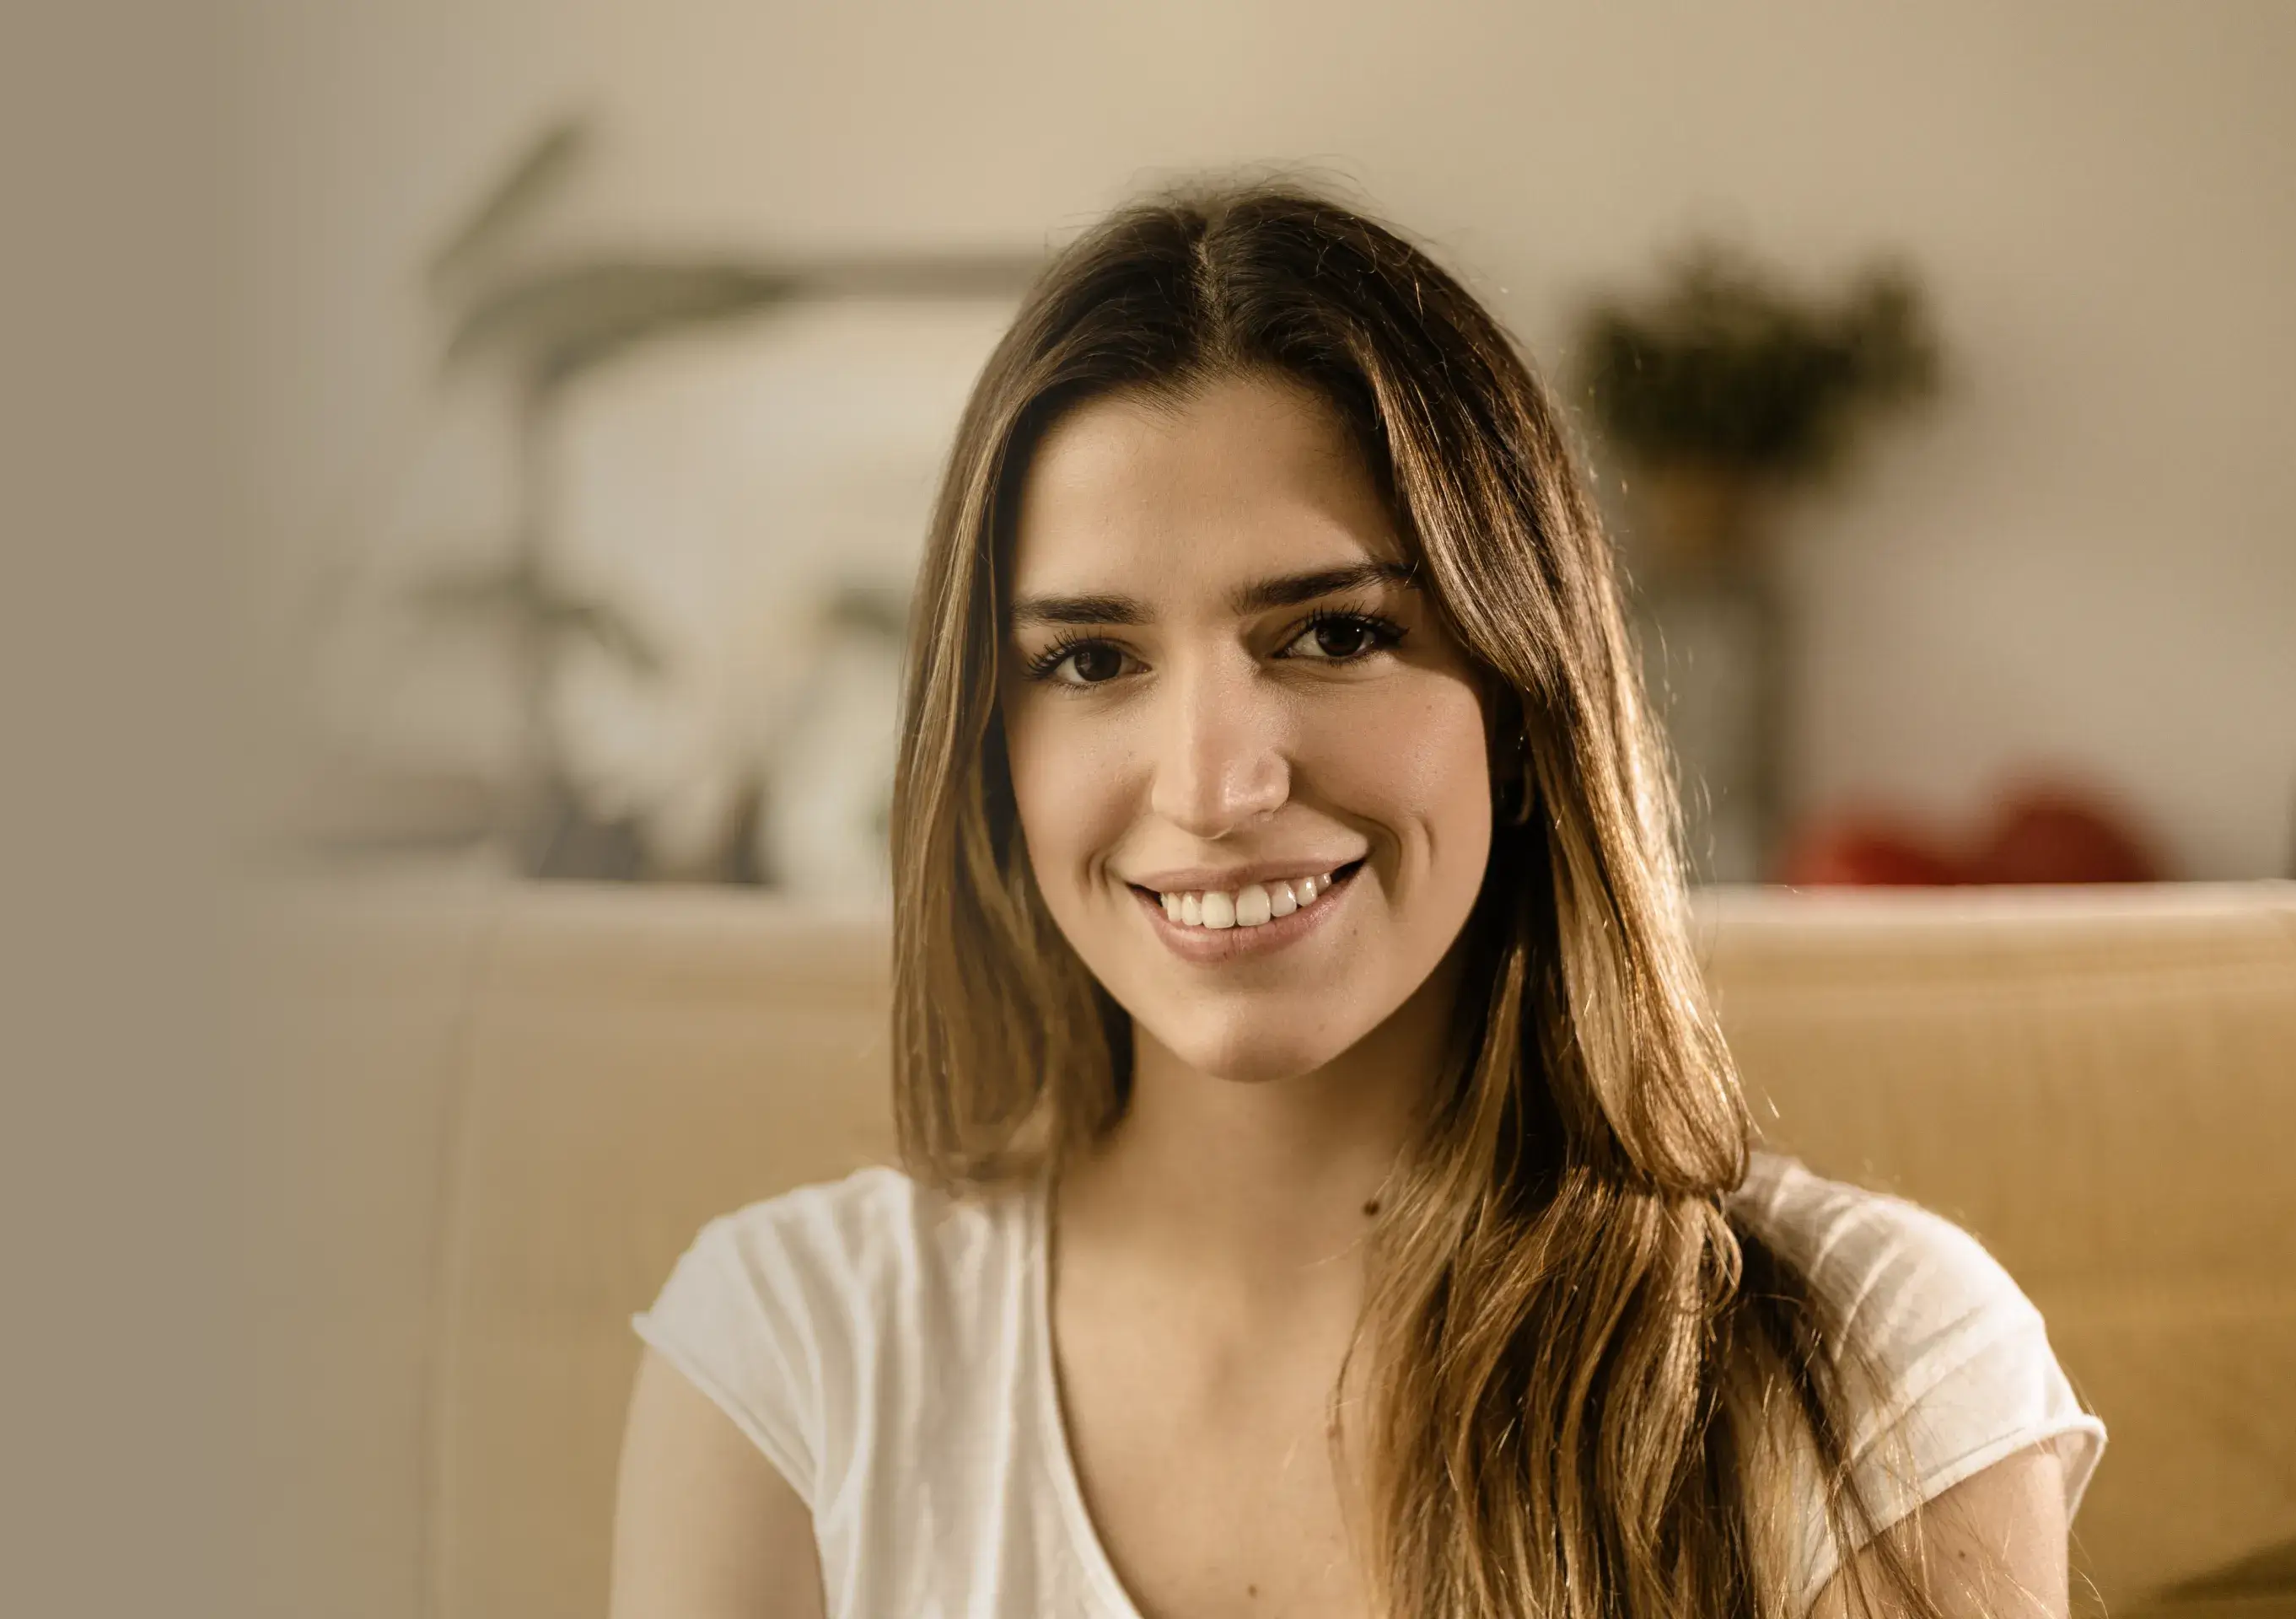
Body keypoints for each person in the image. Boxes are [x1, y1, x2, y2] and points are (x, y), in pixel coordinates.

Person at [605, 180, 2102, 1619]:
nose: (1212, 784)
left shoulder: (1871, 1364)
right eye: (1089, 659)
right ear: (991, 757)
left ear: (1524, 711)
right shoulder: (794, 1356)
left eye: (1331, 633)